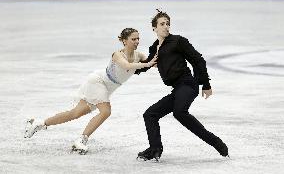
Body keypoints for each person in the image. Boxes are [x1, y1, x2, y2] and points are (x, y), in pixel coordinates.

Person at [24, 28, 157, 155]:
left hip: (108, 88)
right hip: (98, 82)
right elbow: (127, 65)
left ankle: (40, 123)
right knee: (106, 111)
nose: (137, 41)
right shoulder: (117, 54)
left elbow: (153, 63)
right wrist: (147, 64)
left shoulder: (138, 55)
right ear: (124, 41)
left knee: (75, 113)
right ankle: (81, 140)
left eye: (138, 39)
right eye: (133, 39)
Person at [135, 10, 229, 161]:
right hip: (177, 89)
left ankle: (217, 143)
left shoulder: (178, 41)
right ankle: (155, 149)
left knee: (179, 112)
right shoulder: (154, 48)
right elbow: (146, 65)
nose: (166, 27)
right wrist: (129, 68)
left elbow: (198, 60)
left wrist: (205, 84)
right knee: (150, 114)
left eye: (168, 24)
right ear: (154, 28)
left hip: (187, 84)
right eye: (162, 24)